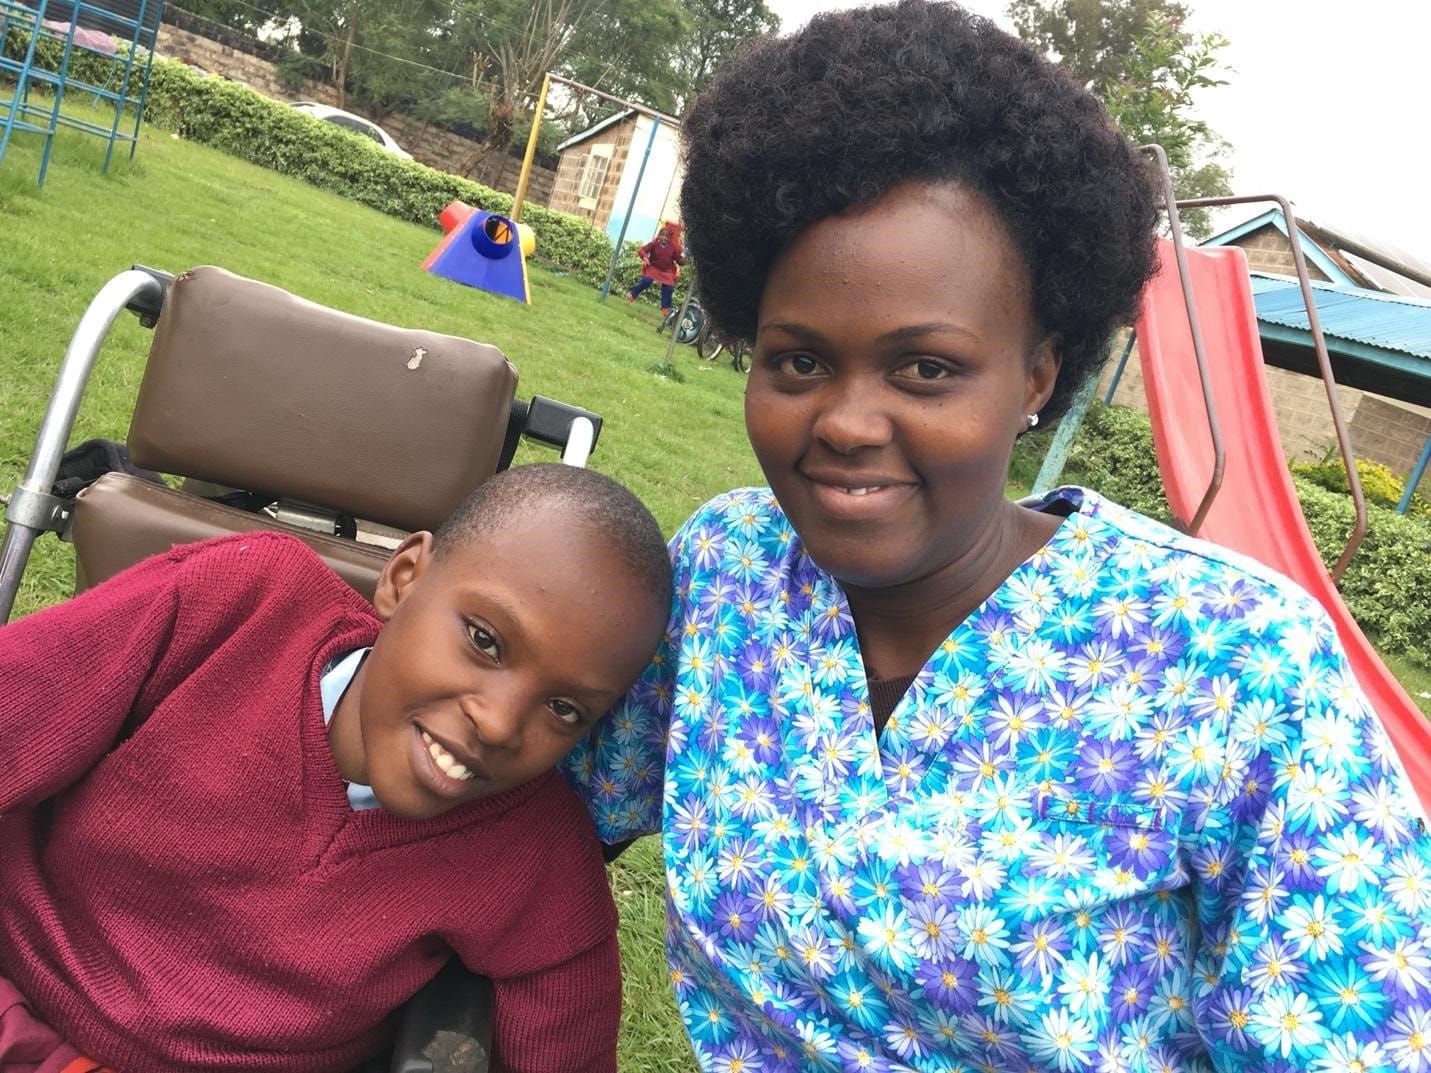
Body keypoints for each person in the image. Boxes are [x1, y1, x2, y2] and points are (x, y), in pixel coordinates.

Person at [562, 3, 1431, 1070]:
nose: (845, 420)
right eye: (797, 360)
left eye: (926, 367)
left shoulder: (1238, 660)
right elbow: (535, 801)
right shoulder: (726, 575)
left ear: (1037, 374)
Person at [0, 463, 671, 1073]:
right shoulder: (234, 600)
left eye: (563, 707)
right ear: (403, 578)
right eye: (484, 639)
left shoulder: (537, 856)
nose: (498, 723)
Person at [626, 222, 685, 316]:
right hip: (653, 267)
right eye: (663, 235)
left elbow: (679, 260)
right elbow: (641, 250)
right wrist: (645, 257)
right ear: (659, 235)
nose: (664, 238)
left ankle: (665, 308)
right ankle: (633, 294)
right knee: (646, 281)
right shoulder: (653, 244)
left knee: (669, 287)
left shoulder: (673, 248)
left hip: (667, 271)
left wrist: (684, 259)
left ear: (670, 238)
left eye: (667, 236)